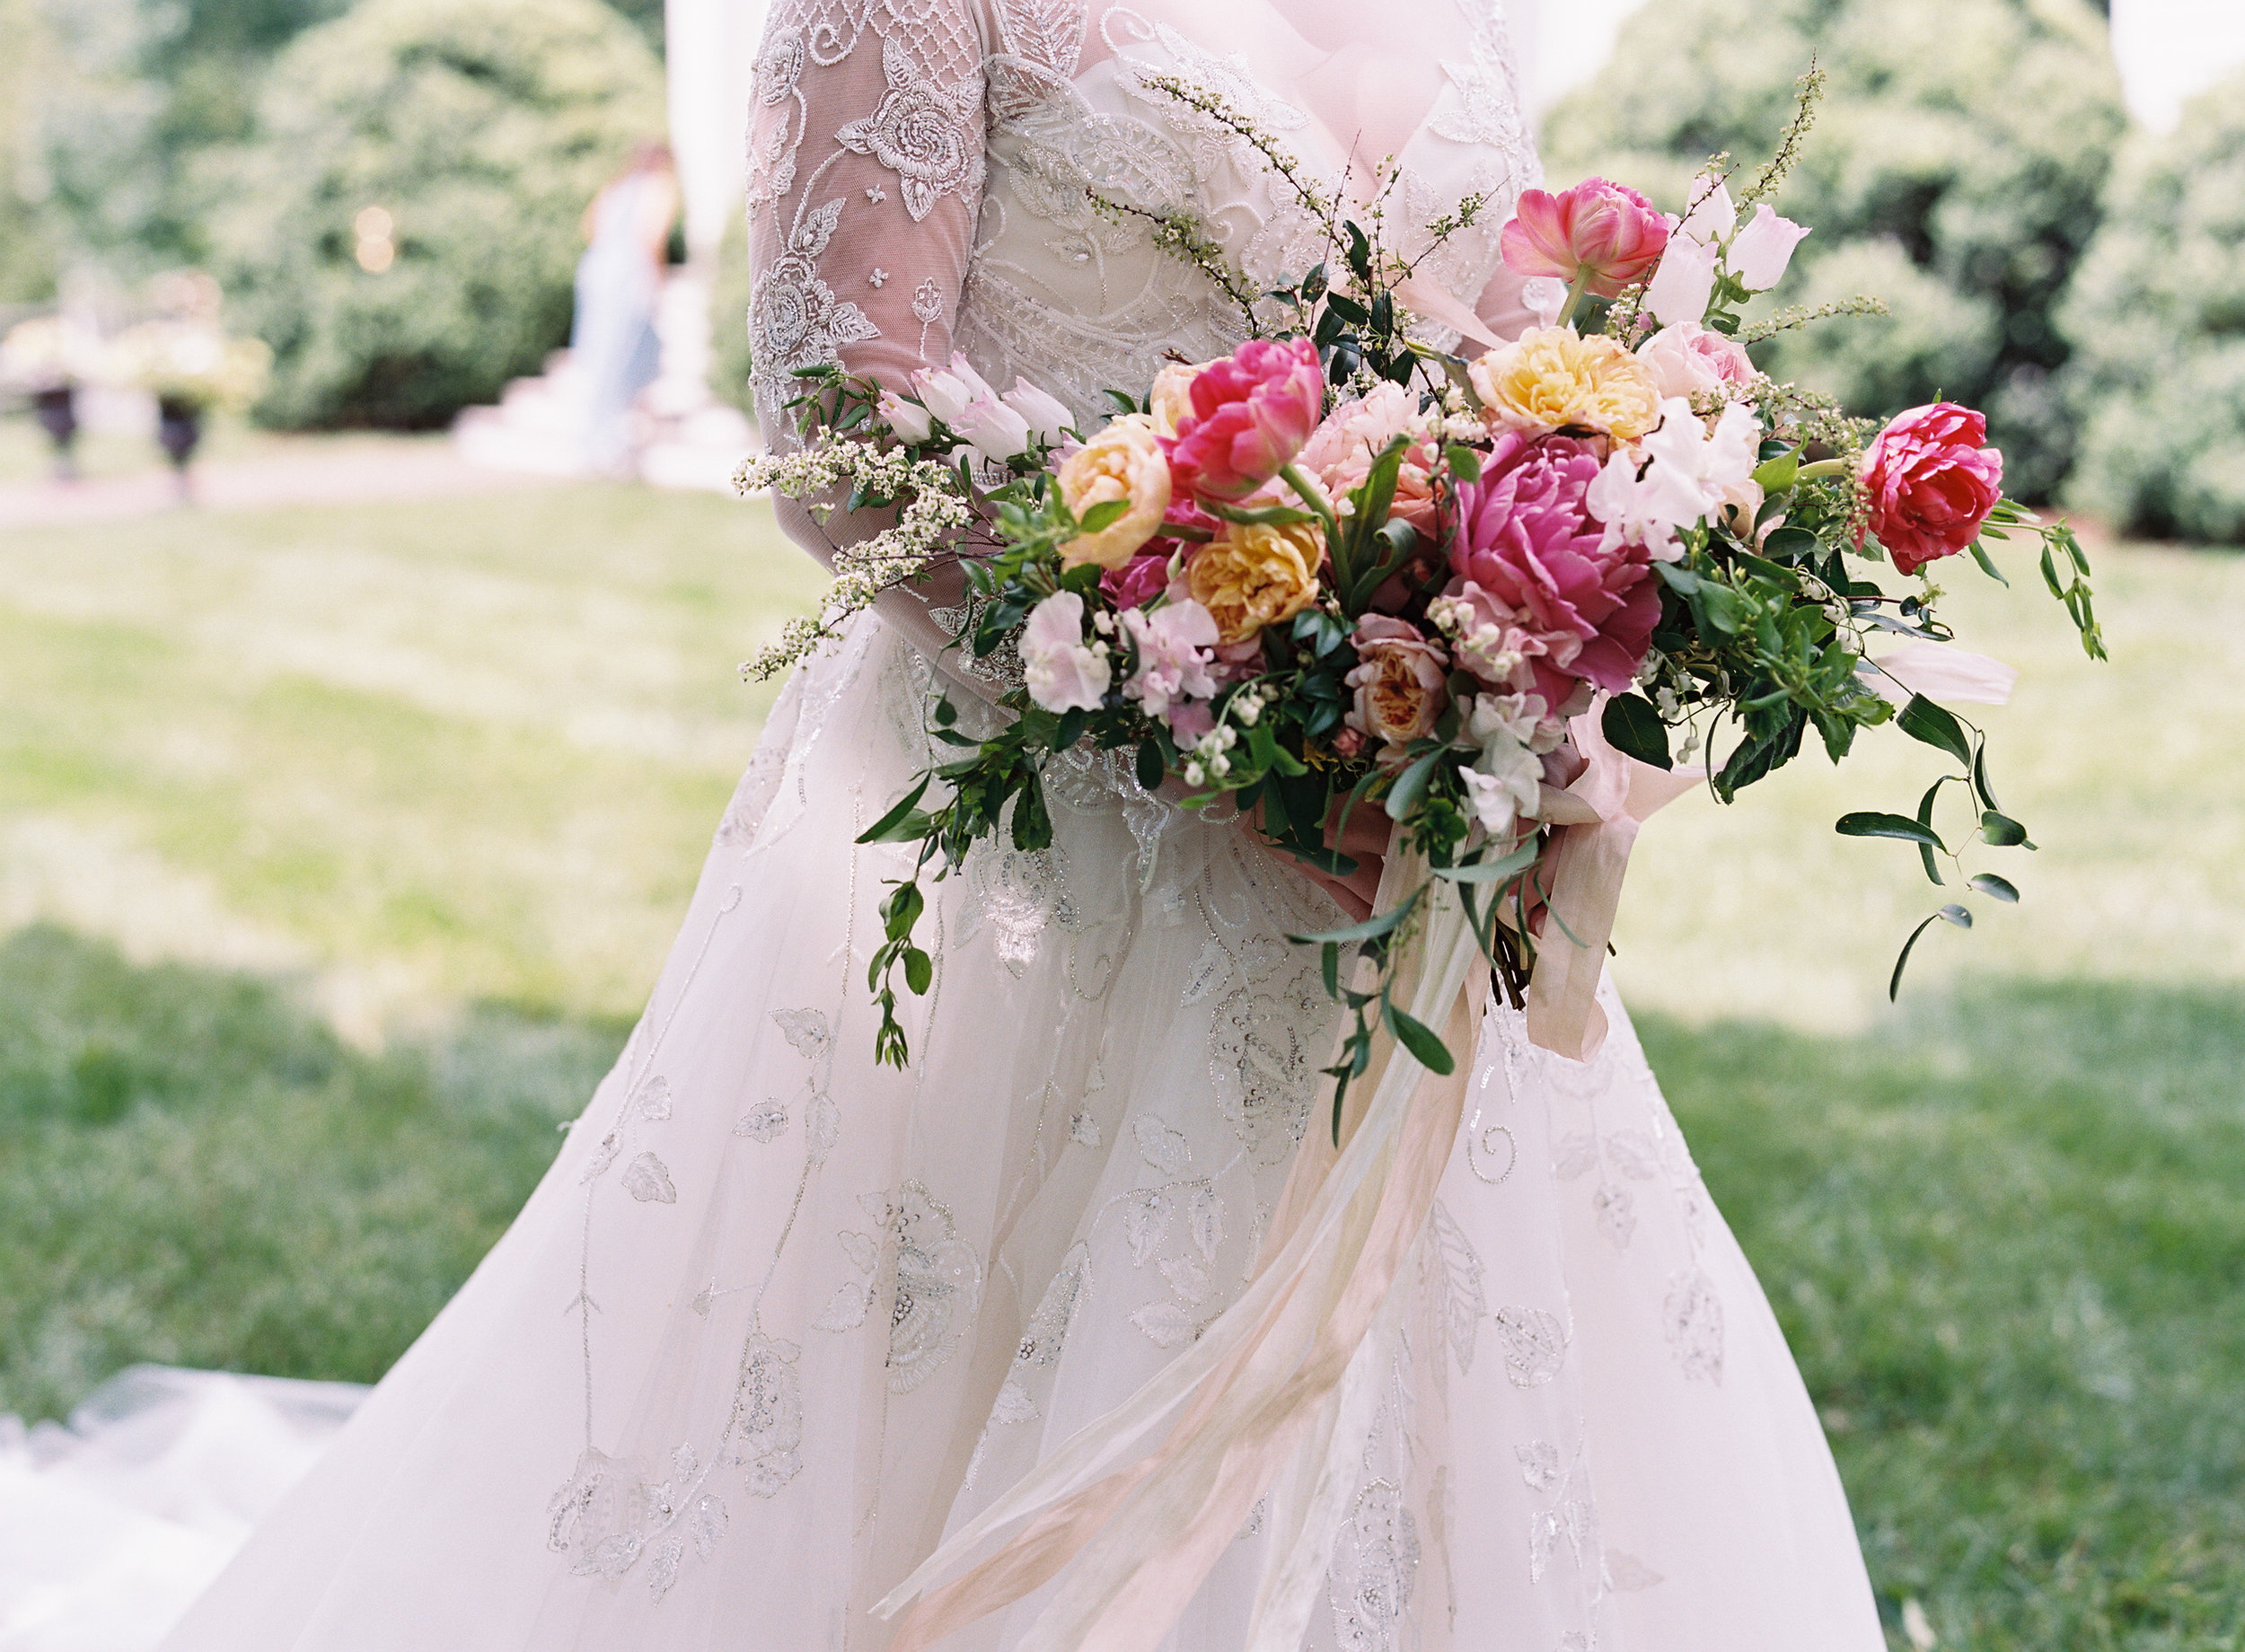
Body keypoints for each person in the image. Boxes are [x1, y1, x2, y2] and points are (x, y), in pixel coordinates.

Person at [159, 2, 1887, 1647]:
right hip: (1039, 842)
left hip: (1415, 846)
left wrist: (1526, 636)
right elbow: (844, 433)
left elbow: (1494, 372)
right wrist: (1225, 725)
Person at [571, 142, 678, 475]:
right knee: (622, 360)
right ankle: (609, 447)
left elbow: (589, 228)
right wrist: (657, 282)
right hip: (628, 279)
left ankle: (600, 441)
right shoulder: (659, 187)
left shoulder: (616, 186)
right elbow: (651, 238)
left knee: (604, 359)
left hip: (597, 272)